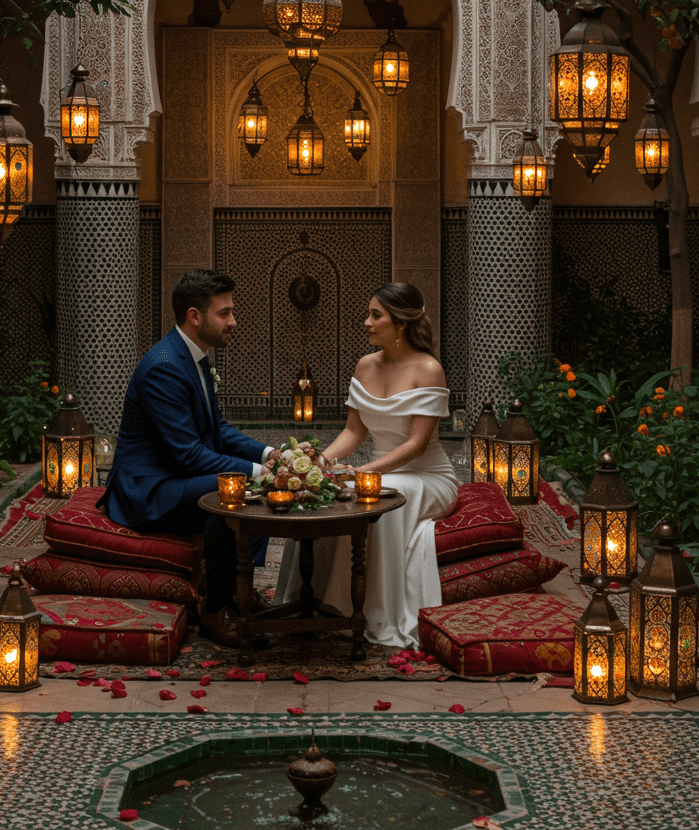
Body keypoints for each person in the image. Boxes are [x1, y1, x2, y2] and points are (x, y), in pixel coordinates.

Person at [99, 269, 278, 648]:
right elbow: (187, 455)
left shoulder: (195, 357)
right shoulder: (164, 365)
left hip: (174, 472)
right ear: (194, 316)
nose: (234, 321)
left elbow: (219, 432)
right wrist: (260, 472)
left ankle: (236, 590)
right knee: (234, 489)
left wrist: (270, 454)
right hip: (148, 487)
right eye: (224, 313)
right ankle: (214, 609)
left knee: (249, 482)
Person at [275, 282, 459, 648]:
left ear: (401, 323)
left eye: (376, 315)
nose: (367, 322)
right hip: (384, 470)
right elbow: (353, 431)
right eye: (369, 314)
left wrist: (364, 472)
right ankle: (321, 604)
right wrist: (319, 463)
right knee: (326, 495)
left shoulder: (428, 369)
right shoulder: (365, 365)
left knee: (379, 500)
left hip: (426, 476)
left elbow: (415, 444)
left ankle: (375, 613)